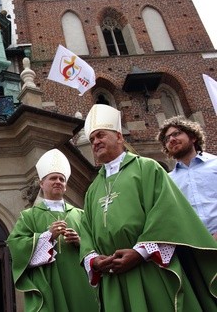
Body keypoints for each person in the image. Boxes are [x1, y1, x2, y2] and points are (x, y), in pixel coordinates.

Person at [79, 104, 217, 311]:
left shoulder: (147, 168)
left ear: (119, 137)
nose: (96, 142)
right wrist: (93, 259)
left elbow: (166, 213)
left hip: (150, 266)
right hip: (111, 275)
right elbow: (86, 229)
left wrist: (140, 252)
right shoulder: (92, 189)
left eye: (100, 135)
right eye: (92, 140)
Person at [7, 149, 98, 312]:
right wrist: (48, 236)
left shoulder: (80, 215)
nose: (58, 181)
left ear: (66, 185)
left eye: (61, 179)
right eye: (53, 178)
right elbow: (16, 246)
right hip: (47, 281)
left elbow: (96, 244)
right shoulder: (29, 216)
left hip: (78, 281)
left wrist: (79, 242)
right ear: (42, 183)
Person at [157, 116, 217, 240]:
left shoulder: (215, 164)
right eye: (167, 139)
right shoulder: (168, 180)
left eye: (176, 134)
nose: (172, 139)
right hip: (195, 246)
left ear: (193, 137)